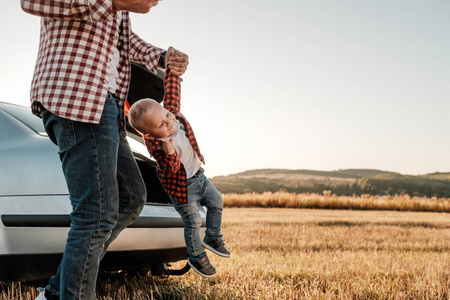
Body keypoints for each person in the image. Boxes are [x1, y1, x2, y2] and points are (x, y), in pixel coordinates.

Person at [20, 0, 189, 299]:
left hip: (107, 104)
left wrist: (161, 57)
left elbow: (124, 41)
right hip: (76, 97)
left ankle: (57, 291)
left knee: (131, 197)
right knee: (95, 214)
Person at [128, 68, 231, 278]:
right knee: (192, 220)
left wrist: (172, 71)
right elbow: (171, 168)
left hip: (198, 175)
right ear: (150, 134)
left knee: (216, 201)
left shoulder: (171, 114)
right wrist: (168, 149)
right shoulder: (158, 146)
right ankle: (195, 256)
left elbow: (173, 93)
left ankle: (213, 236)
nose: (170, 122)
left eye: (166, 115)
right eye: (162, 125)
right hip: (183, 187)